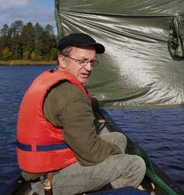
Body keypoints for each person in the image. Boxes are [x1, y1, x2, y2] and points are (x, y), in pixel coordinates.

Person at [16, 33, 146, 195]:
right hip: (50, 180)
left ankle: (101, 182)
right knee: (135, 164)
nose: (89, 68)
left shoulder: (51, 78)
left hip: (45, 168)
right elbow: (91, 153)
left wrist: (111, 150)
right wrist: (115, 152)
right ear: (62, 60)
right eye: (82, 61)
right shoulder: (70, 94)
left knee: (118, 138)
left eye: (92, 62)